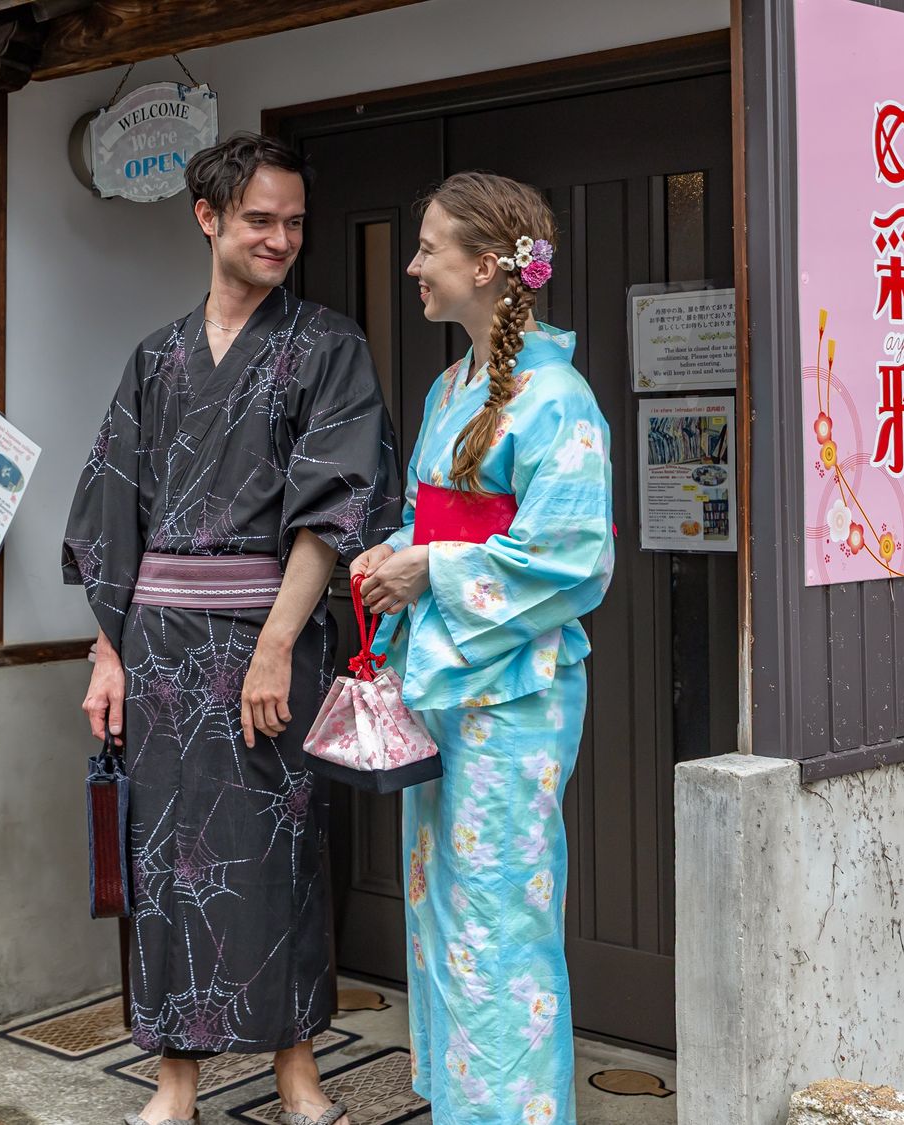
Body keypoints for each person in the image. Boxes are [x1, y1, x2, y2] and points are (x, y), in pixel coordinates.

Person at [64, 132, 401, 1125]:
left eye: (294, 222)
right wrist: (106, 653)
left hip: (271, 636)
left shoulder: (327, 347)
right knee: (164, 857)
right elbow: (108, 513)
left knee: (278, 852)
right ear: (206, 218)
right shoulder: (155, 357)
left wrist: (272, 647)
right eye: (259, 219)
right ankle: (174, 1081)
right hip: (158, 649)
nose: (280, 238)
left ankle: (297, 1067)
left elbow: (333, 510)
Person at [352, 172, 614, 1124]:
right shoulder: (451, 386)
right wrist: (398, 563)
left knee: (500, 916)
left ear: (489, 267)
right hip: (443, 682)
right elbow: (438, 527)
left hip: (513, 697)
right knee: (442, 911)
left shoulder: (560, 399)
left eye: (430, 248)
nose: (416, 265)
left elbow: (574, 556)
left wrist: (433, 571)